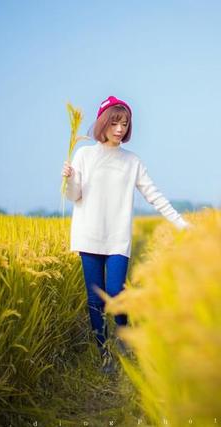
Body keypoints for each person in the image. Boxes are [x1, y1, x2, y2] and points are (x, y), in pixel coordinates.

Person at [61, 95, 191, 374]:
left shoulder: (132, 161)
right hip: (88, 235)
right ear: (103, 123)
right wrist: (70, 178)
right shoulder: (83, 154)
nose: (120, 128)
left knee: (116, 293)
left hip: (117, 237)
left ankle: (123, 337)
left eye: (125, 123)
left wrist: (181, 224)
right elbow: (75, 196)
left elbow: (154, 195)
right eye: (115, 122)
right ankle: (104, 353)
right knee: (95, 299)